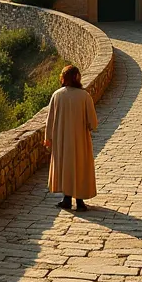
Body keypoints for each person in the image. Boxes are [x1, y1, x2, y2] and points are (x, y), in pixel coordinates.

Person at [45, 64, 98, 211]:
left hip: (61, 139)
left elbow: (49, 120)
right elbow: (93, 123)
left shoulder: (57, 95)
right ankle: (79, 201)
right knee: (79, 166)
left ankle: (66, 199)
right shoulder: (84, 96)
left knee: (66, 167)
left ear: (63, 78)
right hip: (80, 139)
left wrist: (48, 138)